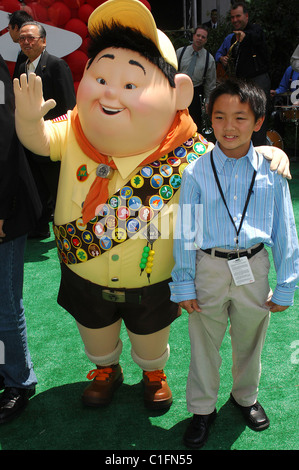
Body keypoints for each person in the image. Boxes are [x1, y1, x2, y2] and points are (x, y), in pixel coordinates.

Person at [13, 0, 291, 413]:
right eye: (102, 75)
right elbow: (39, 141)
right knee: (95, 331)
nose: (110, 91)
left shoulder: (188, 153)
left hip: (152, 277)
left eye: (130, 84)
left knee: (150, 336)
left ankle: (152, 372)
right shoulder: (74, 129)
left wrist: (268, 154)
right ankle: (106, 369)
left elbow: (228, 156)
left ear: (177, 92)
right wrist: (29, 120)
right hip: (82, 268)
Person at [170, 78, 299, 449]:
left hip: (254, 267)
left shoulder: (272, 170)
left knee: (250, 340)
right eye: (220, 116)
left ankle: (245, 398)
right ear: (209, 119)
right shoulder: (195, 171)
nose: (229, 127)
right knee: (203, 341)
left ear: (258, 122)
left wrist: (287, 283)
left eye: (240, 118)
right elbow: (185, 231)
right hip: (207, 267)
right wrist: (183, 282)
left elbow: (285, 229)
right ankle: (202, 409)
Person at [0, 54, 41, 424]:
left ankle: (18, 381)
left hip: (5, 209)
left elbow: (5, 142)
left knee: (5, 304)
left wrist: (1, 210)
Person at [15, 21, 76, 239]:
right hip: (28, 139)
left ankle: (67, 231)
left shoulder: (56, 65)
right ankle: (39, 226)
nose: (26, 42)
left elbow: (68, 104)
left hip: (53, 139)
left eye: (30, 37)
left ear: (44, 41)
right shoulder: (22, 65)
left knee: (57, 187)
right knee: (35, 185)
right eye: (22, 38)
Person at [215, 2, 270, 145]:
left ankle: (258, 154)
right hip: (241, 83)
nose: (235, 20)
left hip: (258, 81)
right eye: (232, 17)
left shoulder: (256, 31)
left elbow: (254, 37)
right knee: (240, 118)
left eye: (238, 16)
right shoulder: (232, 38)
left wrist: (245, 36)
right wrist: (224, 60)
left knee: (258, 118)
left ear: (246, 16)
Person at [176, 25, 216, 131]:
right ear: (193, 36)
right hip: (178, 91)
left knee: (194, 124)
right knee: (175, 121)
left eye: (203, 37)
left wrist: (208, 101)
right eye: (198, 35)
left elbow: (210, 83)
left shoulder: (209, 59)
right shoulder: (180, 52)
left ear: (206, 40)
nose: (200, 39)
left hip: (195, 93)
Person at [7, 10, 33, 79]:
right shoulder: (33, 50)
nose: (9, 32)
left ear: (15, 28)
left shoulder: (25, 54)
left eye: (9, 28)